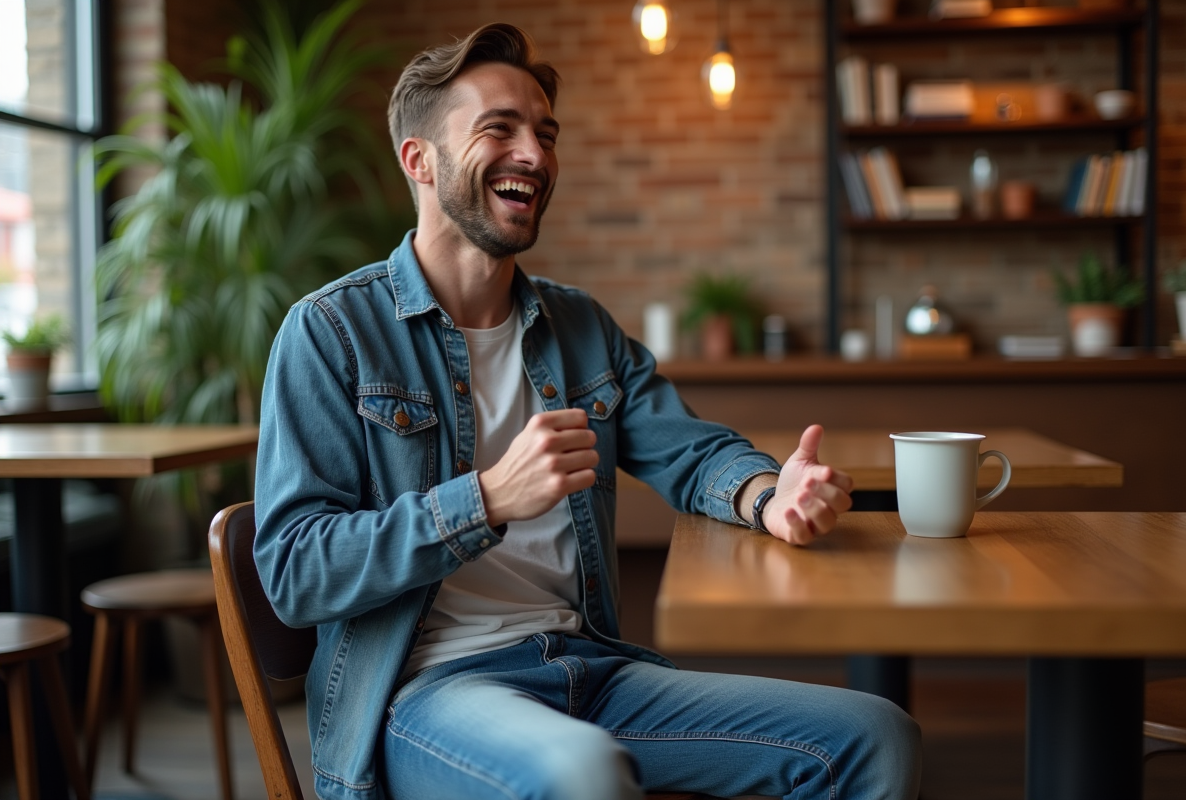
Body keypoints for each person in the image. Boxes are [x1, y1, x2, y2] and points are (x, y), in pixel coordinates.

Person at [254, 22, 921, 800]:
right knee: (584, 775)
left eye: (545, 133)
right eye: (499, 129)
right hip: (427, 695)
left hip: (591, 669)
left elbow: (693, 451)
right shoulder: (331, 331)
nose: (535, 156)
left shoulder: (581, 329)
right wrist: (487, 499)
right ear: (419, 160)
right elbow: (296, 571)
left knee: (876, 738)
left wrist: (769, 496)